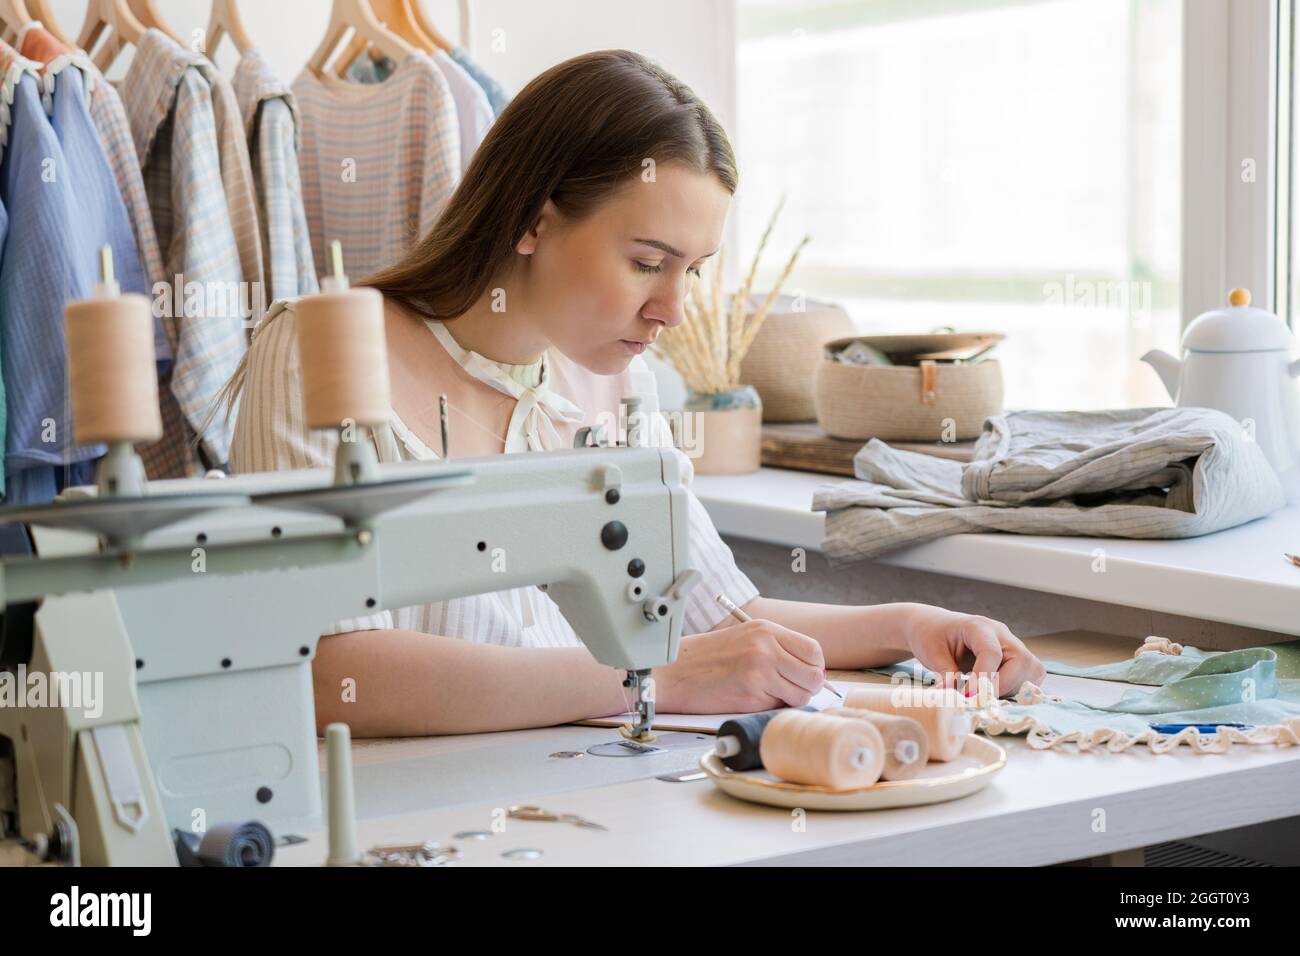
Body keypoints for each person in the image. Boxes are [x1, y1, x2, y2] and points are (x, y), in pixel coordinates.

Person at [220, 50, 1045, 737]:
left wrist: (910, 625)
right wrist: (642, 677)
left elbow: (714, 618)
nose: (672, 309)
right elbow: (333, 673)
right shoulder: (318, 351)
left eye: (692, 270)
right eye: (648, 262)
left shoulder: (616, 381)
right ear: (534, 220)